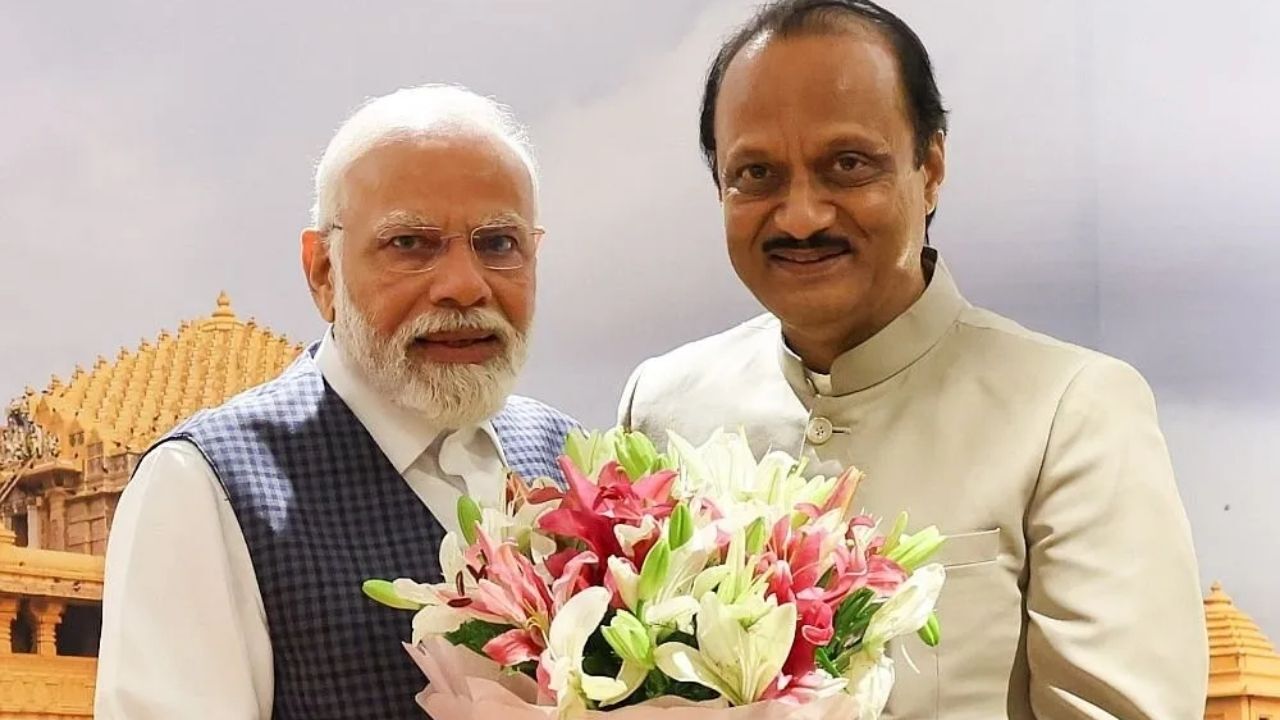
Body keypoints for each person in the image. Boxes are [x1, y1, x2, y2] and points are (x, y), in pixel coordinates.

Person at [617, 1, 1208, 717]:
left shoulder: (1070, 411)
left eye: (847, 165)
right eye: (757, 173)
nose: (801, 217)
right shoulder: (663, 405)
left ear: (930, 168)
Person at [96, 85, 575, 719]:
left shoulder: (571, 460)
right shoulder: (207, 487)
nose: (464, 285)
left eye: (498, 243)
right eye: (410, 244)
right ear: (323, 271)